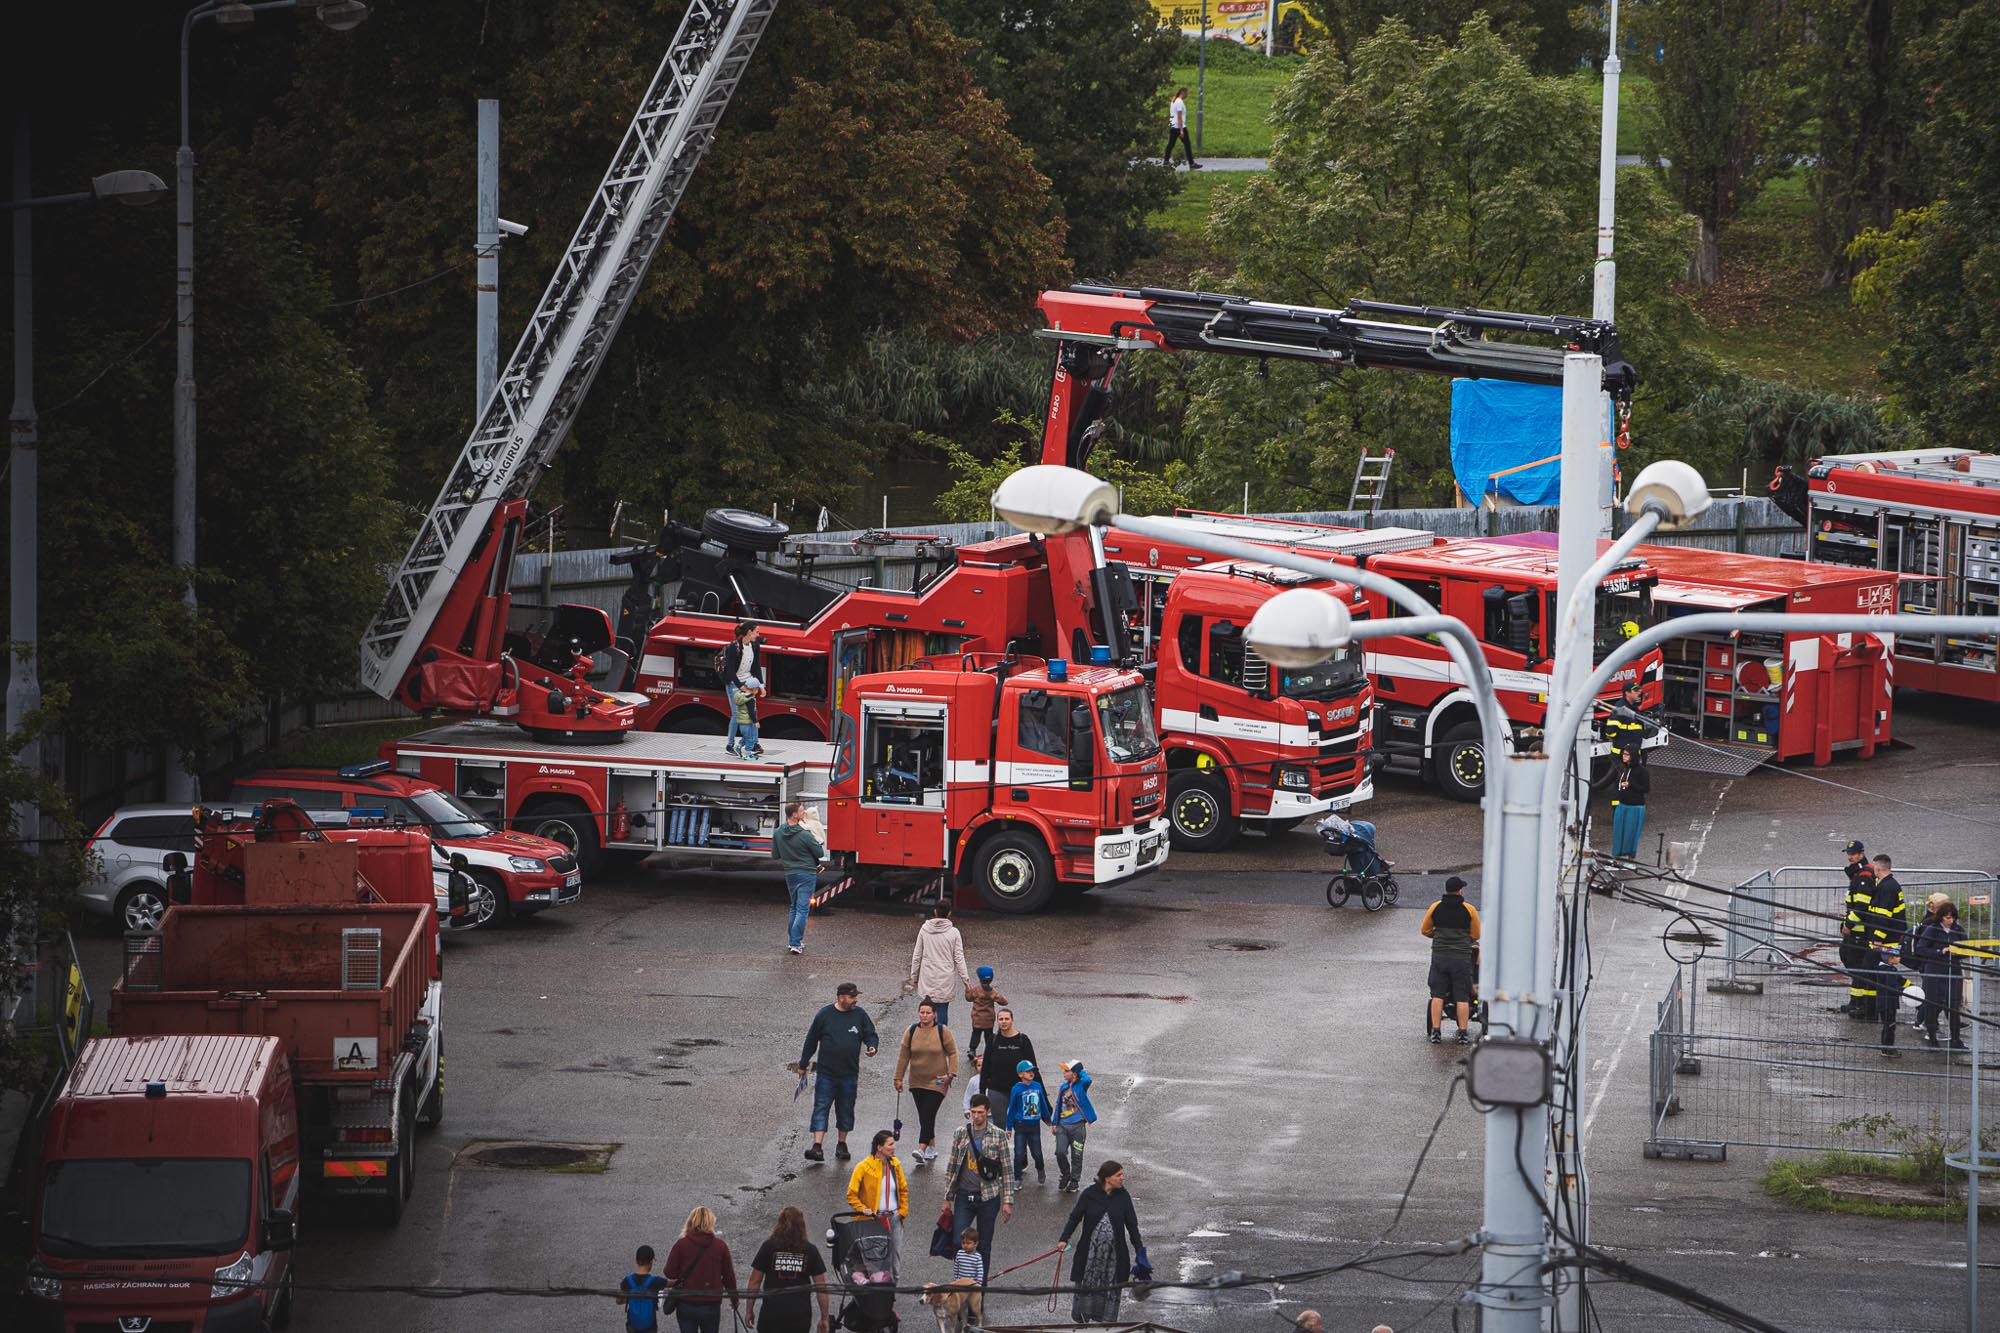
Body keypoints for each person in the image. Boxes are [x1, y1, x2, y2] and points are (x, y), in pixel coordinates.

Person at [1056, 1160, 1147, 1324]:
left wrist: (1140, 1252)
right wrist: (1064, 1239)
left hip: (1114, 1261)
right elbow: (1075, 1217)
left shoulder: (1124, 1197)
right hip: (1089, 1258)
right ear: (1107, 1178)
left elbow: (1132, 1226)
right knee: (1086, 1295)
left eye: (1122, 1174)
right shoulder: (1089, 1194)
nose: (1122, 1178)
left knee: (1109, 1296)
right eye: (1118, 1175)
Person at [798, 982, 879, 1162]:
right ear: (841, 997)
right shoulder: (824, 1015)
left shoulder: (860, 1015)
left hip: (849, 1074)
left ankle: (842, 1144)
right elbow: (811, 1040)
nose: (855, 1000)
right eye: (852, 997)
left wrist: (872, 1046)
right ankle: (817, 1146)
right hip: (826, 1074)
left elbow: (870, 1034)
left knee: (846, 1109)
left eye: (855, 997)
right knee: (821, 1107)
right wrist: (803, 1064)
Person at [940, 1093, 1013, 1283]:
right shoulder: (961, 1133)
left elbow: (1007, 1169)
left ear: (988, 1112)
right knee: (958, 1241)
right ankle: (961, 1284)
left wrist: (1007, 1201)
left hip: (989, 1197)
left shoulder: (998, 1135)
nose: (976, 1116)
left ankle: (979, 1288)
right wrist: (947, 1197)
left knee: (984, 1246)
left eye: (980, 1112)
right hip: (964, 1196)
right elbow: (952, 1165)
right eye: (973, 1112)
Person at [745, 1206, 831, 1333]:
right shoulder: (810, 1250)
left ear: (779, 1224)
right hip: (799, 1315)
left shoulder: (768, 1247)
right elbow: (821, 1288)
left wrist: (749, 1310)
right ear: (802, 1226)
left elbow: (754, 1282)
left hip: (772, 1313)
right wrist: (825, 1318)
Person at [893, 999, 958, 1164]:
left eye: (928, 1013)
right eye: (922, 1012)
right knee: (924, 1116)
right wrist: (898, 1077)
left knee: (928, 1113)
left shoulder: (943, 1031)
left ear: (934, 1014)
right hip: (916, 1081)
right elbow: (904, 1055)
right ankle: (931, 1147)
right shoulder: (912, 1030)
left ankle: (921, 1149)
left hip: (937, 1082)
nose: (925, 1016)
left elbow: (953, 1053)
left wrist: (951, 1074)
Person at [1421, 876, 1482, 1044]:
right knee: (1462, 996)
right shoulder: (1469, 909)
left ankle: (1435, 1032)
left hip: (1440, 956)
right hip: (1461, 957)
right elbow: (1476, 934)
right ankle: (1462, 1033)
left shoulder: (1435, 907)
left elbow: (1425, 930)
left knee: (1437, 994)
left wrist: (1439, 936)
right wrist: (1461, 939)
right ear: (1460, 890)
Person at [663, 1207, 739, 1333]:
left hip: (686, 1303)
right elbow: (729, 1276)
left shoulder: (681, 1245)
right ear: (711, 1222)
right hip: (711, 1305)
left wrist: (682, 1275)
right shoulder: (720, 1246)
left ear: (691, 1222)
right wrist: (734, 1299)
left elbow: (669, 1272)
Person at [845, 1130, 909, 1269]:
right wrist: (862, 1209)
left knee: (894, 1260)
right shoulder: (863, 1167)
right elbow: (851, 1194)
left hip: (894, 1219)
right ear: (879, 1148)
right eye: (890, 1144)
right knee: (874, 1262)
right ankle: (877, 1290)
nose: (894, 1147)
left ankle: (891, 1289)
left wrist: (902, 1211)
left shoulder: (896, 1165)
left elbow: (903, 1190)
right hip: (873, 1220)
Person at [1866, 853, 1909, 1055]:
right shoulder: (1890, 886)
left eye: (1874, 868)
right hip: (1889, 944)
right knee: (1886, 983)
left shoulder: (1886, 887)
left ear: (1878, 869)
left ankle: (1887, 1043)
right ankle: (1887, 1042)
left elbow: (1883, 918)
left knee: (1887, 987)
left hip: (1886, 945)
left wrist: (1877, 940)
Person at [1910, 900, 1968, 1049]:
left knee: (1953, 1005)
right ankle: (1932, 1037)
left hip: (1953, 971)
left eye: (1952, 917)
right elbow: (1920, 949)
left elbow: (1967, 948)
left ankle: (1956, 1039)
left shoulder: (1958, 930)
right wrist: (1940, 951)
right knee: (1933, 1005)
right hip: (1934, 971)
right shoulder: (1932, 929)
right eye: (1947, 917)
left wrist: (1958, 952)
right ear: (1941, 916)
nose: (1950, 920)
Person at [906, 901, 972, 1026]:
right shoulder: (954, 932)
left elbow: (917, 955)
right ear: (949, 913)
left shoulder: (925, 929)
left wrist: (914, 977)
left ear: (935, 911)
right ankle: (941, 1038)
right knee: (942, 1010)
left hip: (927, 977)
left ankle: (928, 1037)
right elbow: (959, 958)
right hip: (945, 978)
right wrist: (966, 980)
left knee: (927, 1010)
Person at [1833, 841, 1879, 1020]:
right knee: (1855, 967)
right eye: (1848, 853)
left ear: (1861, 854)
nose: (1850, 856)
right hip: (1858, 931)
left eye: (1853, 853)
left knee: (1858, 967)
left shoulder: (1863, 875)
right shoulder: (1859, 873)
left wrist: (1848, 925)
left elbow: (1860, 906)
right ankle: (1856, 1001)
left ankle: (1863, 1006)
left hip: (1860, 932)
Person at [772, 803, 824, 956]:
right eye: (801, 811)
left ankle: (793, 941)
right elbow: (819, 852)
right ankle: (795, 943)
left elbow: (775, 855)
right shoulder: (805, 834)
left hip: (790, 873)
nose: (804, 813)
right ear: (794, 815)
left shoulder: (778, 832)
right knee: (802, 909)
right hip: (807, 873)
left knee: (794, 907)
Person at [976, 1008, 1038, 1108]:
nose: (1003, 1022)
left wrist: (1044, 1100)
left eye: (1006, 1019)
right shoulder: (993, 1040)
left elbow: (1033, 1068)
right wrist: (982, 1092)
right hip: (996, 1090)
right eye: (1001, 1019)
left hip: (1021, 1089)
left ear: (1012, 1020)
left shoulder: (1023, 1040)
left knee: (1022, 1122)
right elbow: (985, 1067)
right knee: (999, 1123)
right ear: (997, 1021)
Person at [1051, 1059, 1097, 1192]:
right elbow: (1058, 1105)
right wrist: (1055, 1123)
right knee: (1060, 1152)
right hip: (1063, 1126)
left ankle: (1075, 1181)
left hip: (1078, 1127)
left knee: (1077, 1155)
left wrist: (1080, 1070)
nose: (1064, 1073)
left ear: (1075, 1073)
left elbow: (1088, 1080)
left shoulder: (1082, 1085)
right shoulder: (1063, 1087)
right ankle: (1066, 1174)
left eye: (1067, 1071)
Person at [723, 622, 766, 760]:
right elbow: (729, 671)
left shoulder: (755, 646)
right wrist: (740, 686)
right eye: (756, 632)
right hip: (734, 683)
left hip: (749, 680)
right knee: (737, 714)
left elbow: (757, 666)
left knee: (752, 711)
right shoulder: (733, 647)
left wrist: (761, 685)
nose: (758, 635)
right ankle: (730, 745)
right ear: (749, 632)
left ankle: (753, 744)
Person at [1006, 1059, 1051, 1185]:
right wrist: (1009, 1127)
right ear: (1020, 1074)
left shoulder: (1037, 1086)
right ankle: (1017, 1178)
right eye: (1028, 1071)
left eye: (1032, 1071)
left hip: (1034, 1125)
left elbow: (1042, 1103)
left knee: (1037, 1152)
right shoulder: (1016, 1089)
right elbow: (1012, 1108)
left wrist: (1048, 1118)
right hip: (1020, 1125)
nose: (1031, 1073)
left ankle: (1040, 1169)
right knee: (1019, 1153)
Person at [1609, 747, 1650, 860]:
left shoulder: (1642, 771)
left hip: (1635, 806)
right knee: (1618, 831)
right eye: (1623, 754)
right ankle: (1616, 855)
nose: (1624, 756)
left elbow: (1645, 788)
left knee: (1631, 833)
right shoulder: (1623, 768)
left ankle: (1631, 856)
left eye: (1627, 754)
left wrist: (1630, 784)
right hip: (1622, 805)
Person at [621, 1244, 669, 1333]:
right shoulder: (656, 1281)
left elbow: (619, 1300)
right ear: (651, 1262)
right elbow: (671, 1283)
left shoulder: (627, 1281)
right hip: (650, 1325)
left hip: (632, 1323)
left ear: (636, 1261)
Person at [964, 966, 1007, 1064]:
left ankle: (972, 1049)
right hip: (988, 1019)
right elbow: (1004, 1002)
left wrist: (967, 989)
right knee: (988, 1036)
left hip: (977, 1018)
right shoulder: (992, 992)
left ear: (979, 979)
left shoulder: (976, 990)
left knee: (976, 1034)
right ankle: (990, 1051)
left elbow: (968, 998)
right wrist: (1001, 997)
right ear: (991, 979)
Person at [1164, 87, 1199, 169]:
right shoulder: (1179, 102)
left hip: (1173, 126)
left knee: (1170, 145)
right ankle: (1191, 164)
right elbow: (1179, 116)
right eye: (1187, 93)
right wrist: (1181, 130)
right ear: (1183, 93)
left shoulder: (1174, 100)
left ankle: (1165, 163)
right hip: (1179, 126)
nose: (1187, 95)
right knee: (1187, 145)